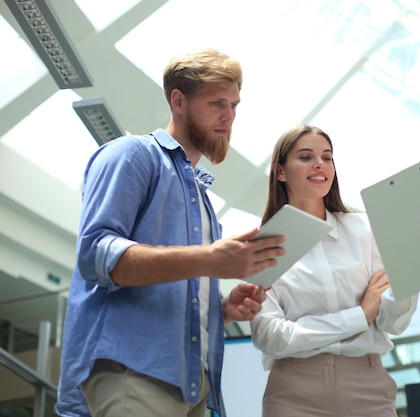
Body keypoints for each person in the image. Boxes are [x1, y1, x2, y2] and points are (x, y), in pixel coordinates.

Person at [55, 48, 285, 417]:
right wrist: (208, 259)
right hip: (134, 369)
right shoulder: (133, 154)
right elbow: (97, 253)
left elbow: (181, 287)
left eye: (234, 106)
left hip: (194, 384)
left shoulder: (202, 198)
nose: (229, 118)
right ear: (178, 101)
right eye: (217, 104)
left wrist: (224, 310)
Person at [250, 124, 418, 417]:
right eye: (306, 157)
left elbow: (392, 323)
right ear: (280, 172)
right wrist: (358, 316)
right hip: (293, 392)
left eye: (327, 157)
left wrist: (411, 273)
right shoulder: (262, 246)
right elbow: (270, 336)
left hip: (368, 388)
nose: (320, 164)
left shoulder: (365, 229)